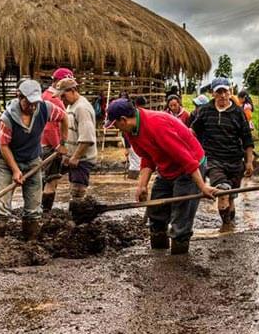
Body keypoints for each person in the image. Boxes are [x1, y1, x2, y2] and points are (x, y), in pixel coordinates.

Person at [105, 98, 216, 255]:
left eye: (115, 124)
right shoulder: (131, 131)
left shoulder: (157, 125)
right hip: (167, 168)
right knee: (156, 212)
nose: (116, 128)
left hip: (190, 166)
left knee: (180, 219)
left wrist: (202, 186)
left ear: (123, 120)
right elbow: (147, 157)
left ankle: (179, 261)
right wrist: (142, 185)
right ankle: (158, 256)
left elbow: (185, 158)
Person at [0, 79, 68, 240]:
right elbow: (3, 146)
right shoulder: (7, 118)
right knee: (1, 209)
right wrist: (15, 170)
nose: (33, 107)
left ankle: (31, 243)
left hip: (33, 160)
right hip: (7, 163)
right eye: (29, 103)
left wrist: (63, 143)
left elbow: (63, 117)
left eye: (35, 103)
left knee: (33, 209)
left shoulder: (45, 108)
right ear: (20, 97)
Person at [191, 77, 254, 227]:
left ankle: (230, 227)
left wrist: (249, 162)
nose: (223, 96)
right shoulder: (205, 111)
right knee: (222, 191)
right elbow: (193, 132)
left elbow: (247, 139)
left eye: (225, 91)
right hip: (214, 160)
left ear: (230, 92)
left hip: (235, 161)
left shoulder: (238, 112)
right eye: (219, 92)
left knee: (231, 196)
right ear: (213, 93)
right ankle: (226, 227)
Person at [56, 77, 98, 203]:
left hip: (82, 158)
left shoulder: (82, 108)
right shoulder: (71, 106)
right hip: (74, 157)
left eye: (63, 95)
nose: (61, 99)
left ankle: (79, 212)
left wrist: (76, 156)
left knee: (78, 190)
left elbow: (87, 137)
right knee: (73, 188)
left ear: (73, 90)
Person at [41, 67, 74, 211]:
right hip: (51, 146)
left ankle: (39, 210)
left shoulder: (44, 96)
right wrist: (58, 146)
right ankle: (46, 212)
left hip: (42, 144)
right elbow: (49, 127)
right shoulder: (54, 100)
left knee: (44, 179)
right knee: (52, 180)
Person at [123, 95, 147, 179]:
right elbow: (125, 131)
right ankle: (133, 178)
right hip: (132, 139)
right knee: (135, 159)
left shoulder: (137, 114)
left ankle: (133, 178)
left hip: (135, 140)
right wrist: (127, 146)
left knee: (135, 160)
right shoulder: (133, 115)